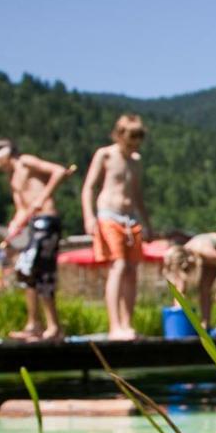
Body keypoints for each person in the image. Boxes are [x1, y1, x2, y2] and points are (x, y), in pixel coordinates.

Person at [0, 138, 69, 342]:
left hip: (47, 221)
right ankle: (34, 325)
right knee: (26, 271)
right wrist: (15, 226)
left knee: (41, 271)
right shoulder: (12, 178)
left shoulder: (25, 161)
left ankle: (53, 327)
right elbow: (22, 208)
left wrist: (43, 197)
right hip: (32, 224)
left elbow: (59, 171)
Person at [82, 113, 152, 340]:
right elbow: (88, 188)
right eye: (131, 136)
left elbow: (138, 194)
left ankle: (127, 324)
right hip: (108, 215)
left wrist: (147, 223)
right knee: (118, 266)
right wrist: (89, 217)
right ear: (120, 134)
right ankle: (115, 326)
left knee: (132, 271)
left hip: (130, 218)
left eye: (139, 137)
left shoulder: (136, 160)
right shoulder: (105, 155)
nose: (135, 142)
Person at [162, 232, 216, 329]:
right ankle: (206, 323)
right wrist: (178, 309)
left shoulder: (204, 251)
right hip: (211, 253)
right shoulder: (182, 255)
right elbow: (180, 288)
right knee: (203, 288)